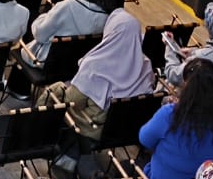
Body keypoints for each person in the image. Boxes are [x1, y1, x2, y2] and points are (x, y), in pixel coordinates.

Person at [36, 8, 156, 142]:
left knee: (54, 91)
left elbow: (73, 101)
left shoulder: (95, 64)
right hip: (125, 129)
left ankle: (39, 135)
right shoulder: (146, 65)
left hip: (93, 127)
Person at [17, 0, 110, 71]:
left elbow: (40, 33)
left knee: (31, 17)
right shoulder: (108, 13)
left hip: (49, 62)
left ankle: (17, 87)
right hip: (80, 65)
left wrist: (45, 16)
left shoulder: (67, 6)